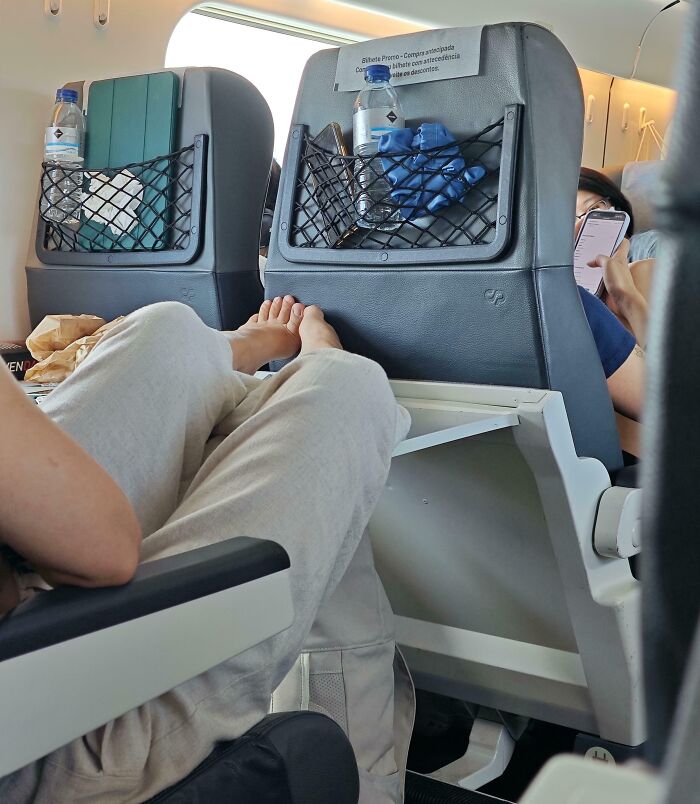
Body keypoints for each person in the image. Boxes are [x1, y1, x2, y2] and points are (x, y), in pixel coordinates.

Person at [0, 298, 412, 803]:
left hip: (19, 617)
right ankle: (312, 363)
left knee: (166, 327)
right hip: (50, 733)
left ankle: (237, 352)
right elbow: (104, 553)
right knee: (350, 390)